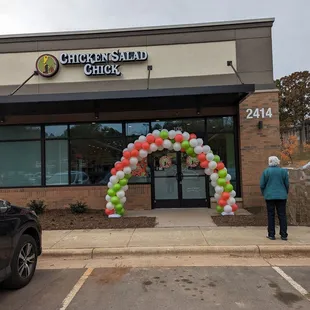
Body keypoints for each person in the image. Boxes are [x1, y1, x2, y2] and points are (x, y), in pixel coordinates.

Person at [260, 156, 289, 241]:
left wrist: (264, 193)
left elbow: (262, 184)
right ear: (278, 162)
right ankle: (284, 235)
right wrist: (285, 193)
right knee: (282, 215)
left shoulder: (266, 172)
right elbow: (287, 184)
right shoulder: (283, 171)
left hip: (269, 196)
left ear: (269, 162)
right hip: (282, 196)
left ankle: (271, 234)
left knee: (271, 215)